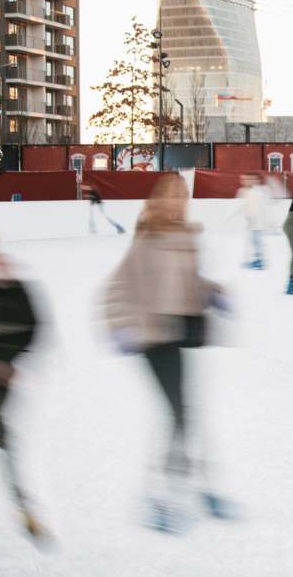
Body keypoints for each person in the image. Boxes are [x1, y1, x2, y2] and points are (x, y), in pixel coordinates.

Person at [103, 175, 231, 532]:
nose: (177, 201)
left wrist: (215, 293)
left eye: (182, 196)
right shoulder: (148, 236)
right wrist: (120, 324)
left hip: (179, 333)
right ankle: (161, 497)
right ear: (158, 199)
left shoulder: (187, 236)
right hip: (150, 336)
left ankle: (190, 488)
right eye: (171, 195)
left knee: (185, 413)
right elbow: (118, 286)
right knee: (180, 415)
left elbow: (192, 282)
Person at [0, 222, 48, 542]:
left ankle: (22, 505)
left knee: (5, 437)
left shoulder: (13, 281)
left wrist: (11, 360)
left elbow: (33, 325)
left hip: (1, 372)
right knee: (4, 435)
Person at [234, 173, 269, 269]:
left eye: (248, 179)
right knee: (253, 241)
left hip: (257, 222)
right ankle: (256, 260)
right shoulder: (245, 191)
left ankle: (259, 261)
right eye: (244, 179)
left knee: (256, 241)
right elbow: (243, 206)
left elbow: (261, 208)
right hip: (251, 222)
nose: (245, 181)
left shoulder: (258, 192)